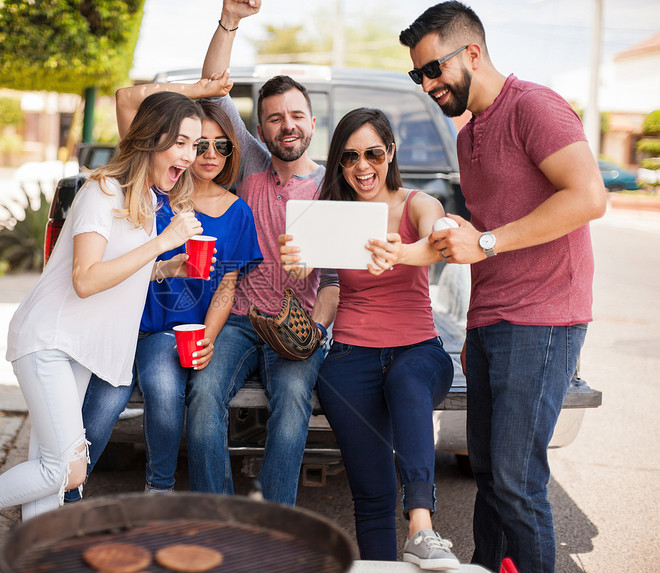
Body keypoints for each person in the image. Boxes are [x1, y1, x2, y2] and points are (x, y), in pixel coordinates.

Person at [0, 92, 205, 573]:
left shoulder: (142, 199)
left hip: (79, 351)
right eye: (180, 142)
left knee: (50, 473)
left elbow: (120, 269)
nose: (189, 155)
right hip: (49, 341)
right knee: (64, 468)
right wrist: (163, 242)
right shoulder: (102, 192)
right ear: (152, 138)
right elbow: (86, 278)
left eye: (196, 145)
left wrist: (165, 267)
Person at [399, 3, 607, 572]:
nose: (428, 84)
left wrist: (487, 244)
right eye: (418, 76)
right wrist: (476, 327)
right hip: (495, 323)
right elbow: (479, 236)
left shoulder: (534, 107)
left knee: (517, 481)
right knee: (488, 473)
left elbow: (589, 197)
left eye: (434, 69)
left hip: (543, 320)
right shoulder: (468, 136)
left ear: (472, 52)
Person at [279, 108, 460, 569]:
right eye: (350, 156)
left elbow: (437, 241)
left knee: (405, 380)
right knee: (372, 492)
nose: (363, 166)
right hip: (350, 358)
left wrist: (401, 253)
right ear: (339, 163)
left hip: (418, 350)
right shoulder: (334, 217)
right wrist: (297, 264)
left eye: (373, 153)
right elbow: (314, 275)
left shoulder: (417, 203)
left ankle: (422, 527)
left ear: (390, 153)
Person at [184, 0, 339, 507]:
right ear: (260, 128)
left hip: (296, 323)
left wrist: (316, 330)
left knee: (293, 401)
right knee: (204, 396)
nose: (286, 125)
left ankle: (276, 524)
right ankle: (219, 518)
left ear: (313, 123)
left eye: (296, 116)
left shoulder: (332, 187)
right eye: (274, 119)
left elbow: (336, 281)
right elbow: (214, 84)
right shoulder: (247, 157)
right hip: (237, 317)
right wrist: (229, 20)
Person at [96, 76, 263, 496]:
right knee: (126, 398)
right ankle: (74, 487)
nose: (208, 154)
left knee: (163, 385)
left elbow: (227, 287)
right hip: (130, 323)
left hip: (179, 332)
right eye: (196, 144)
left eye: (221, 145)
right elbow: (126, 98)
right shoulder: (156, 187)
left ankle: (159, 491)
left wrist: (207, 338)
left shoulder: (238, 211)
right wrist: (199, 92)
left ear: (233, 152)